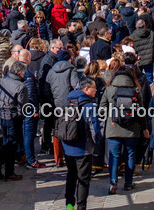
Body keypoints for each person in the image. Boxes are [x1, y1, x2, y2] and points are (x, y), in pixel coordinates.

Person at [99, 65, 148, 194]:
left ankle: (113, 182)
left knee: (114, 155)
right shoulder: (136, 90)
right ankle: (128, 182)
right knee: (130, 155)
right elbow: (141, 112)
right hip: (131, 129)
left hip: (113, 128)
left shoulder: (109, 89)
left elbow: (102, 110)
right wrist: (144, 128)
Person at [61, 77, 102, 210]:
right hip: (83, 148)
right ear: (86, 89)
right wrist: (97, 145)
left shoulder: (68, 100)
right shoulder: (89, 106)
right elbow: (95, 129)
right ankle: (81, 206)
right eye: (94, 88)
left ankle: (69, 204)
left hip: (67, 146)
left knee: (71, 175)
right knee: (83, 179)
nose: (96, 90)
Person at [0, 60, 28, 182]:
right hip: (13, 118)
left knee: (7, 142)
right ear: (21, 73)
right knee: (11, 144)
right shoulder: (21, 86)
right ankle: (8, 172)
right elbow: (23, 107)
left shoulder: (2, 81)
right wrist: (19, 115)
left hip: (2, 115)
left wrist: (0, 107)